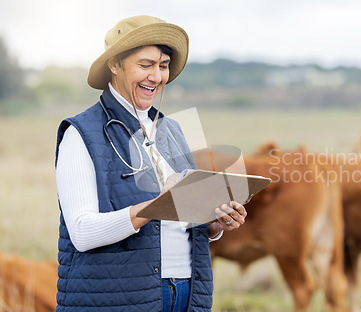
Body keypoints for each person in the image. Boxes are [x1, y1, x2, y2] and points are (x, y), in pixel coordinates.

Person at [55, 15, 247, 312]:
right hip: (122, 298)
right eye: (145, 65)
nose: (156, 77)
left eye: (163, 66)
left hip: (186, 291)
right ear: (114, 64)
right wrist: (157, 205)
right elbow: (82, 233)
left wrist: (213, 224)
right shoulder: (80, 134)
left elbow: (181, 221)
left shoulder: (173, 130)